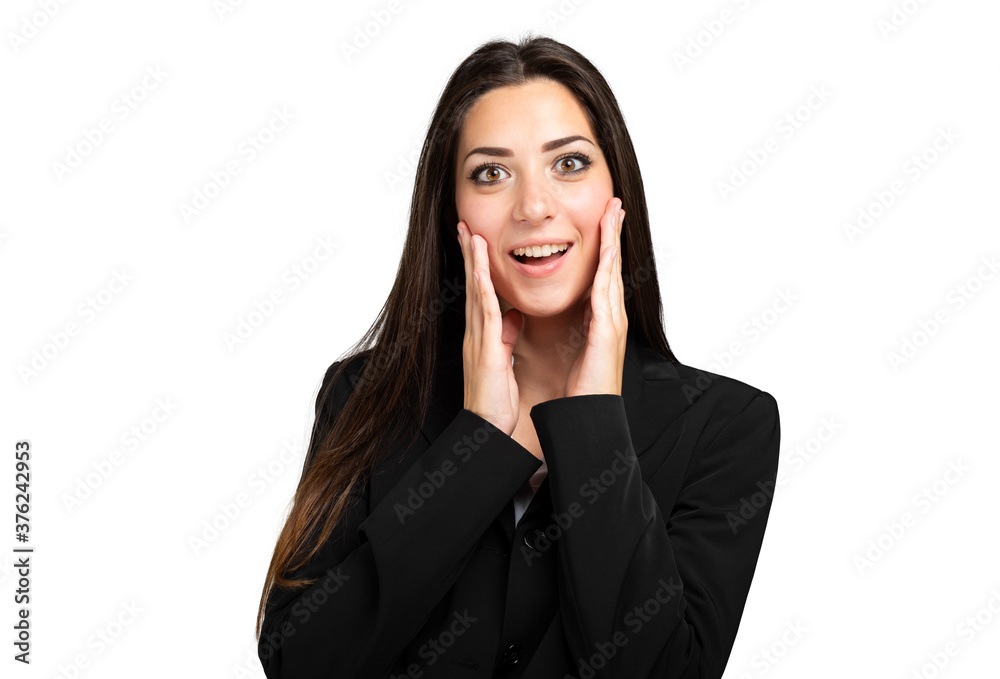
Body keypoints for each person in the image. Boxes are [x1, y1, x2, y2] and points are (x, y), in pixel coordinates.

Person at [255, 33, 780, 679]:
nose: (534, 206)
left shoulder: (726, 425)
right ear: (451, 211)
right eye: (491, 173)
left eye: (569, 164)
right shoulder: (365, 396)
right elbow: (302, 663)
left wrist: (592, 417)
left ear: (618, 192)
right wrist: (474, 443)